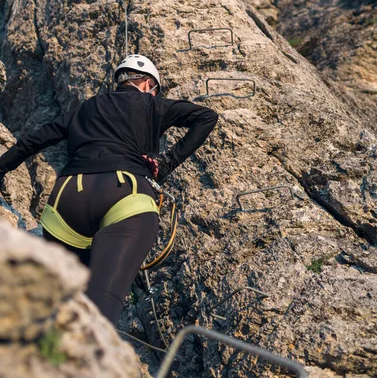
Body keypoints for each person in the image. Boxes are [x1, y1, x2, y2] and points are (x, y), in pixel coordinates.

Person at [0, 55, 218, 325]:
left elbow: (32, 141)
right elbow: (206, 117)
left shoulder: (85, 109)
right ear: (148, 83)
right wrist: (167, 162)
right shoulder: (153, 105)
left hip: (66, 201)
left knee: (68, 302)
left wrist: (1, 169)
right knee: (101, 307)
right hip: (126, 192)